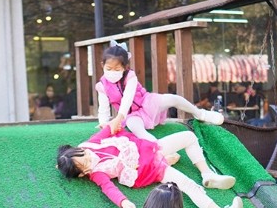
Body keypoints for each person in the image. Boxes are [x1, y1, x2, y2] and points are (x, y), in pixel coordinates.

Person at [56, 125, 243, 208]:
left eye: (85, 154)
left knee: (188, 136)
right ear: (82, 173)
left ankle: (207, 174)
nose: (90, 158)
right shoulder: (97, 173)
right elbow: (109, 189)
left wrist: (116, 120)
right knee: (188, 186)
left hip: (152, 148)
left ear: (80, 148)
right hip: (151, 168)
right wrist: (124, 203)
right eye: (85, 163)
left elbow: (110, 128)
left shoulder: (92, 144)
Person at [96, 43, 224, 142]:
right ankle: (160, 149)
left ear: (125, 67)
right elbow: (103, 107)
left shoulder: (130, 77)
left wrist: (118, 118)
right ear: (102, 65)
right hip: (131, 116)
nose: (112, 72)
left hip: (147, 102)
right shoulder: (102, 85)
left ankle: (201, 114)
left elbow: (127, 99)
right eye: (109, 68)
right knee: (137, 130)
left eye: (117, 69)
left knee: (173, 99)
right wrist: (103, 122)